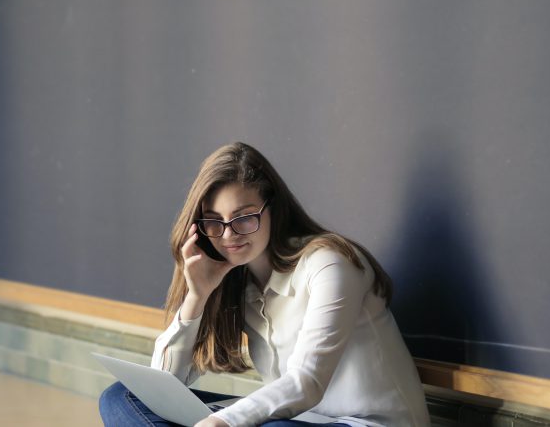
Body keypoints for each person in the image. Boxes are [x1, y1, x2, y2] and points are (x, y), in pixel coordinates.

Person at [99, 142, 429, 427]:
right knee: (122, 397)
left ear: (273, 208)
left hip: (365, 423)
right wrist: (197, 297)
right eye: (214, 221)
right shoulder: (239, 284)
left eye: (243, 217)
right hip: (295, 421)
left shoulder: (329, 264)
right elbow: (163, 387)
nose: (228, 235)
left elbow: (307, 383)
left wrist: (223, 420)